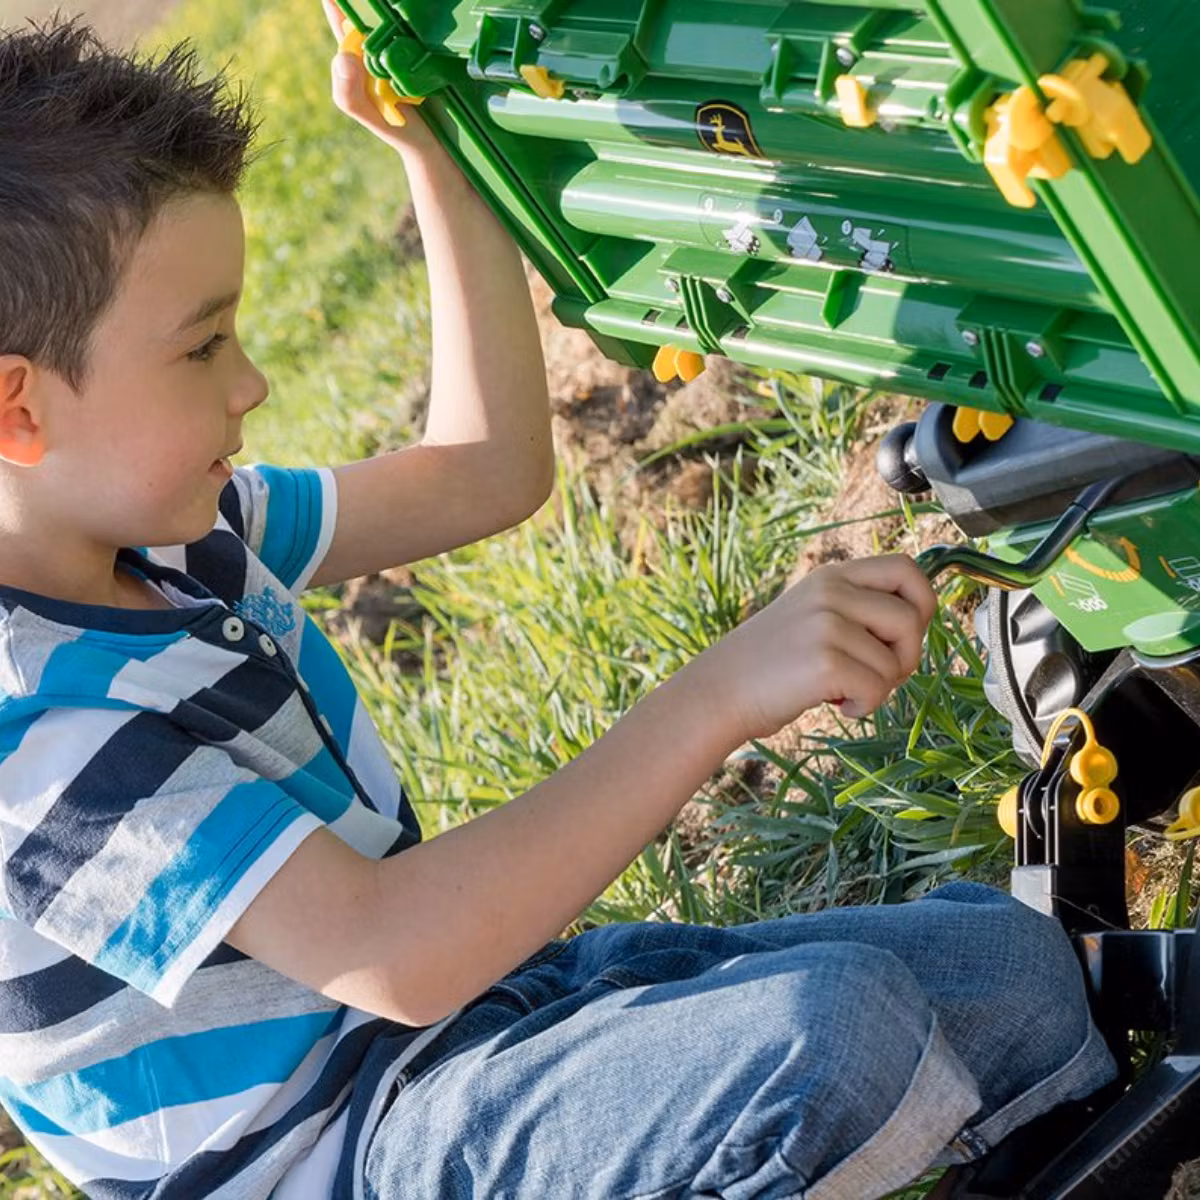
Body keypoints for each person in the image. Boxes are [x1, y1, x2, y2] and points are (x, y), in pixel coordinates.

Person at [0, 9, 1117, 1199]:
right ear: (18, 411)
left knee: (1014, 973)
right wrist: (719, 695)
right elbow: (395, 952)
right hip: (349, 1155)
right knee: (833, 1035)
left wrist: (437, 160)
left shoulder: (181, 527)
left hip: (476, 1029)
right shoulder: (38, 742)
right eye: (202, 346)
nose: (253, 381)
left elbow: (484, 471)